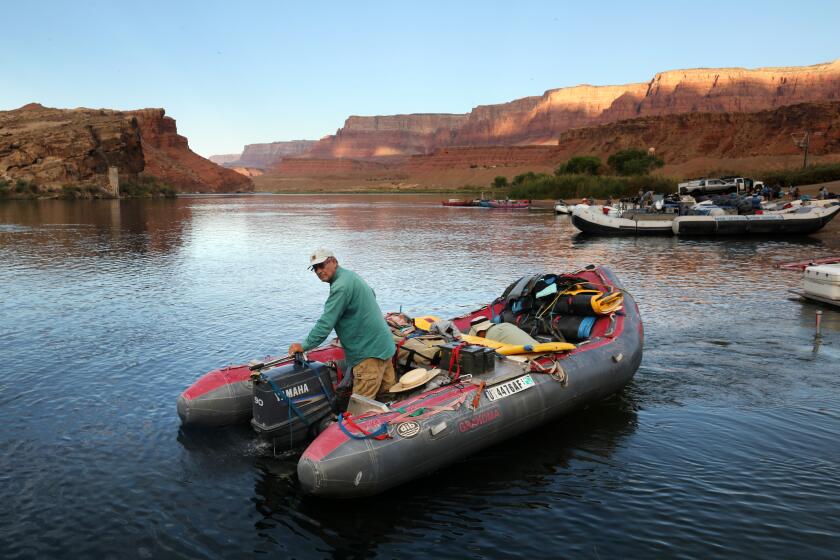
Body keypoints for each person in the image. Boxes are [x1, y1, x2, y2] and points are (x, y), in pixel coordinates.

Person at [288, 249, 396, 401]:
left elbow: (325, 324)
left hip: (368, 355)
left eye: (322, 265)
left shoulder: (340, 287)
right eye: (315, 268)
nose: (319, 271)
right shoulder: (351, 276)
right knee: (388, 397)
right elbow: (370, 295)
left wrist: (304, 346)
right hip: (384, 346)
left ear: (333, 261)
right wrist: (349, 327)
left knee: (360, 408)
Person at [469, 318, 540, 346]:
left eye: (477, 335)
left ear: (480, 331)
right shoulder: (506, 324)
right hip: (541, 348)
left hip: (529, 356)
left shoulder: (489, 339)